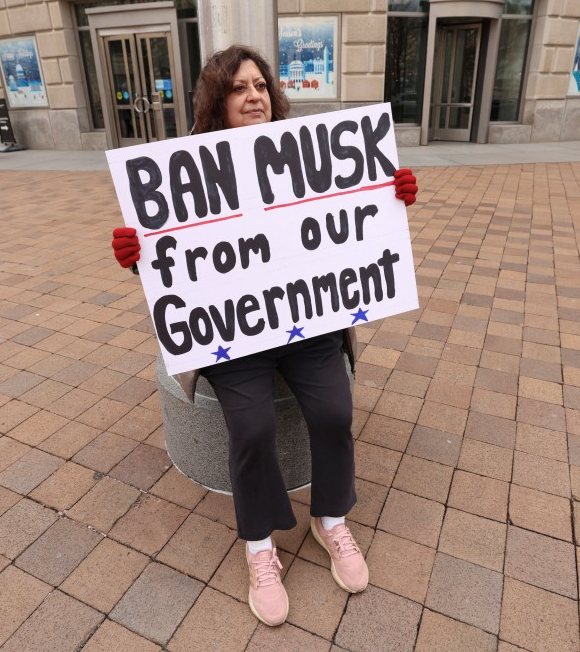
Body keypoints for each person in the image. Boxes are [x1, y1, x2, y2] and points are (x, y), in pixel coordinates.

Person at [111, 45, 418, 627]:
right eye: (238, 88)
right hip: (236, 330)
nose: (253, 96)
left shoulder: (310, 155)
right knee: (249, 427)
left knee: (333, 410)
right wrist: (136, 254)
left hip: (307, 321)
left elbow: (354, 224)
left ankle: (331, 520)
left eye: (260, 85)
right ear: (216, 100)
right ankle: (258, 544)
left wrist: (390, 199)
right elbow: (175, 257)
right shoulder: (187, 166)